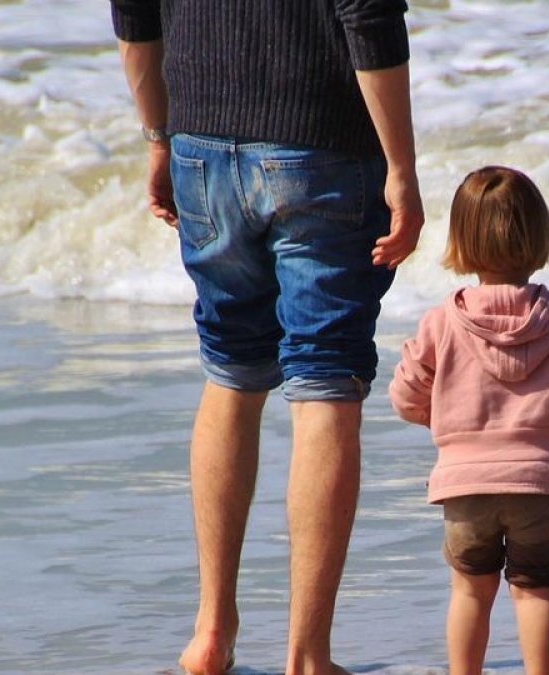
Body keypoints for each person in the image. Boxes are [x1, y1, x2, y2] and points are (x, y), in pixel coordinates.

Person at [108, 1, 424, 674]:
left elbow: (134, 12)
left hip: (200, 141)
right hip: (320, 141)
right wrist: (401, 167)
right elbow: (367, 13)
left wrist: (159, 135)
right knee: (325, 383)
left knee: (230, 372)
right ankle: (308, 656)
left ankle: (209, 634)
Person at [389, 166, 549, 675]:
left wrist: (448, 422)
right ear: (539, 236)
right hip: (542, 480)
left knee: (470, 589)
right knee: (535, 591)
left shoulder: (441, 321)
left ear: (461, 240)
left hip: (465, 482)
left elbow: (405, 397)